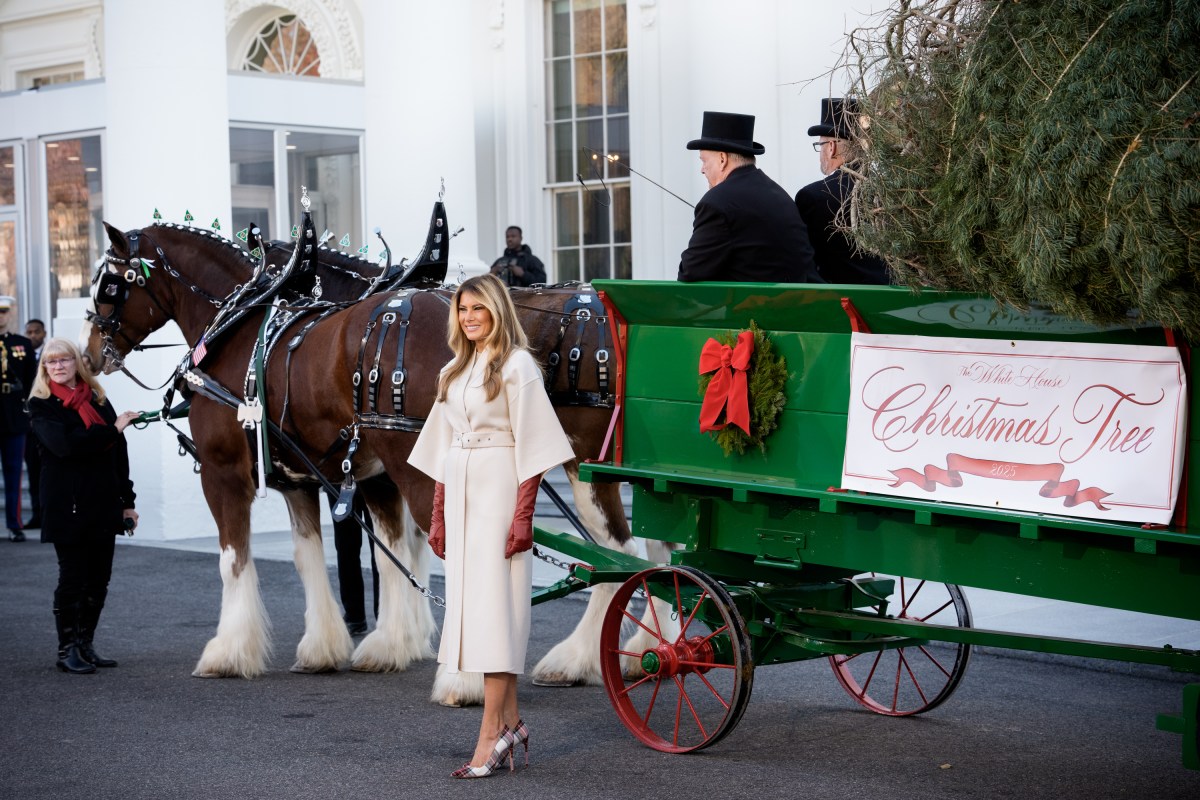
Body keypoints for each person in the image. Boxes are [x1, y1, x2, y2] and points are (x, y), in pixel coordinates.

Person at [408, 273, 573, 778]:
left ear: (498, 310)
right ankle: (512, 722)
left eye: (478, 308)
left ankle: (490, 735)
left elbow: (536, 448)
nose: (469, 317)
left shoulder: (518, 366)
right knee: (473, 610)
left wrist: (523, 517)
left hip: (499, 488)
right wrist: (436, 518)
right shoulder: (455, 369)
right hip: (459, 491)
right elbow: (442, 448)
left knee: (495, 612)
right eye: (462, 309)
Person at [27, 337, 138, 674]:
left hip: (104, 502)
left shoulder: (99, 400)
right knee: (73, 577)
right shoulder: (40, 404)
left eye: (64, 360)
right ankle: (67, 650)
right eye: (51, 362)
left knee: (98, 579)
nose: (58, 367)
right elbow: (67, 446)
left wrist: (128, 503)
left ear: (77, 363)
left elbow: (119, 455)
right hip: (66, 504)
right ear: (44, 369)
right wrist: (113, 430)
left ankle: (86, 644)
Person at [678, 111, 822, 283]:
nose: (702, 169)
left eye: (704, 161)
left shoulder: (716, 203)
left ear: (722, 159)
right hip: (802, 302)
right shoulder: (778, 194)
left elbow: (690, 273)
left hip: (758, 307)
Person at [795, 98, 890, 285]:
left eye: (819, 146)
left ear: (831, 148)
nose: (820, 154)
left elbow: (804, 262)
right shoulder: (887, 189)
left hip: (842, 304)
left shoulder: (814, 196)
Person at [0, 296, 37, 542]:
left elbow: (33, 382)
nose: (0, 317)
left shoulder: (22, 344)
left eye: (3, 312)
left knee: (14, 473)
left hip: (14, 416)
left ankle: (14, 525)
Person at [23, 318, 46, 529]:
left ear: (44, 333)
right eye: (28, 332)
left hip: (48, 425)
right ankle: (37, 514)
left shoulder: (50, 359)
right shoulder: (21, 358)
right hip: (28, 426)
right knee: (32, 471)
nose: (32, 336)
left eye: (36, 332)